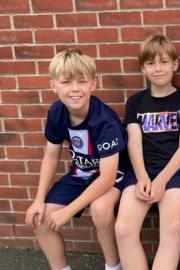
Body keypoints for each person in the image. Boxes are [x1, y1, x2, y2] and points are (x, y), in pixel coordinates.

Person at [25, 48, 128, 270]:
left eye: (82, 82)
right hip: (82, 172)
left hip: (114, 175)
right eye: (66, 82)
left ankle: (114, 266)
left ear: (93, 84)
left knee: (100, 210)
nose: (74, 89)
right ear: (53, 85)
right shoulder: (56, 112)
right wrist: (39, 199)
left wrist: (69, 210)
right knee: (40, 220)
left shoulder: (105, 121)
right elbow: (52, 155)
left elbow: (108, 177)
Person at [114, 34, 180, 270]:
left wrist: (160, 181)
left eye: (164, 62)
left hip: (176, 171)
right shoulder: (136, 103)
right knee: (123, 228)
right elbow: (134, 142)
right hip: (141, 170)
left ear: (175, 64)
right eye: (151, 63)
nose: (158, 69)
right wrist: (142, 177)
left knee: (172, 228)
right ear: (143, 68)